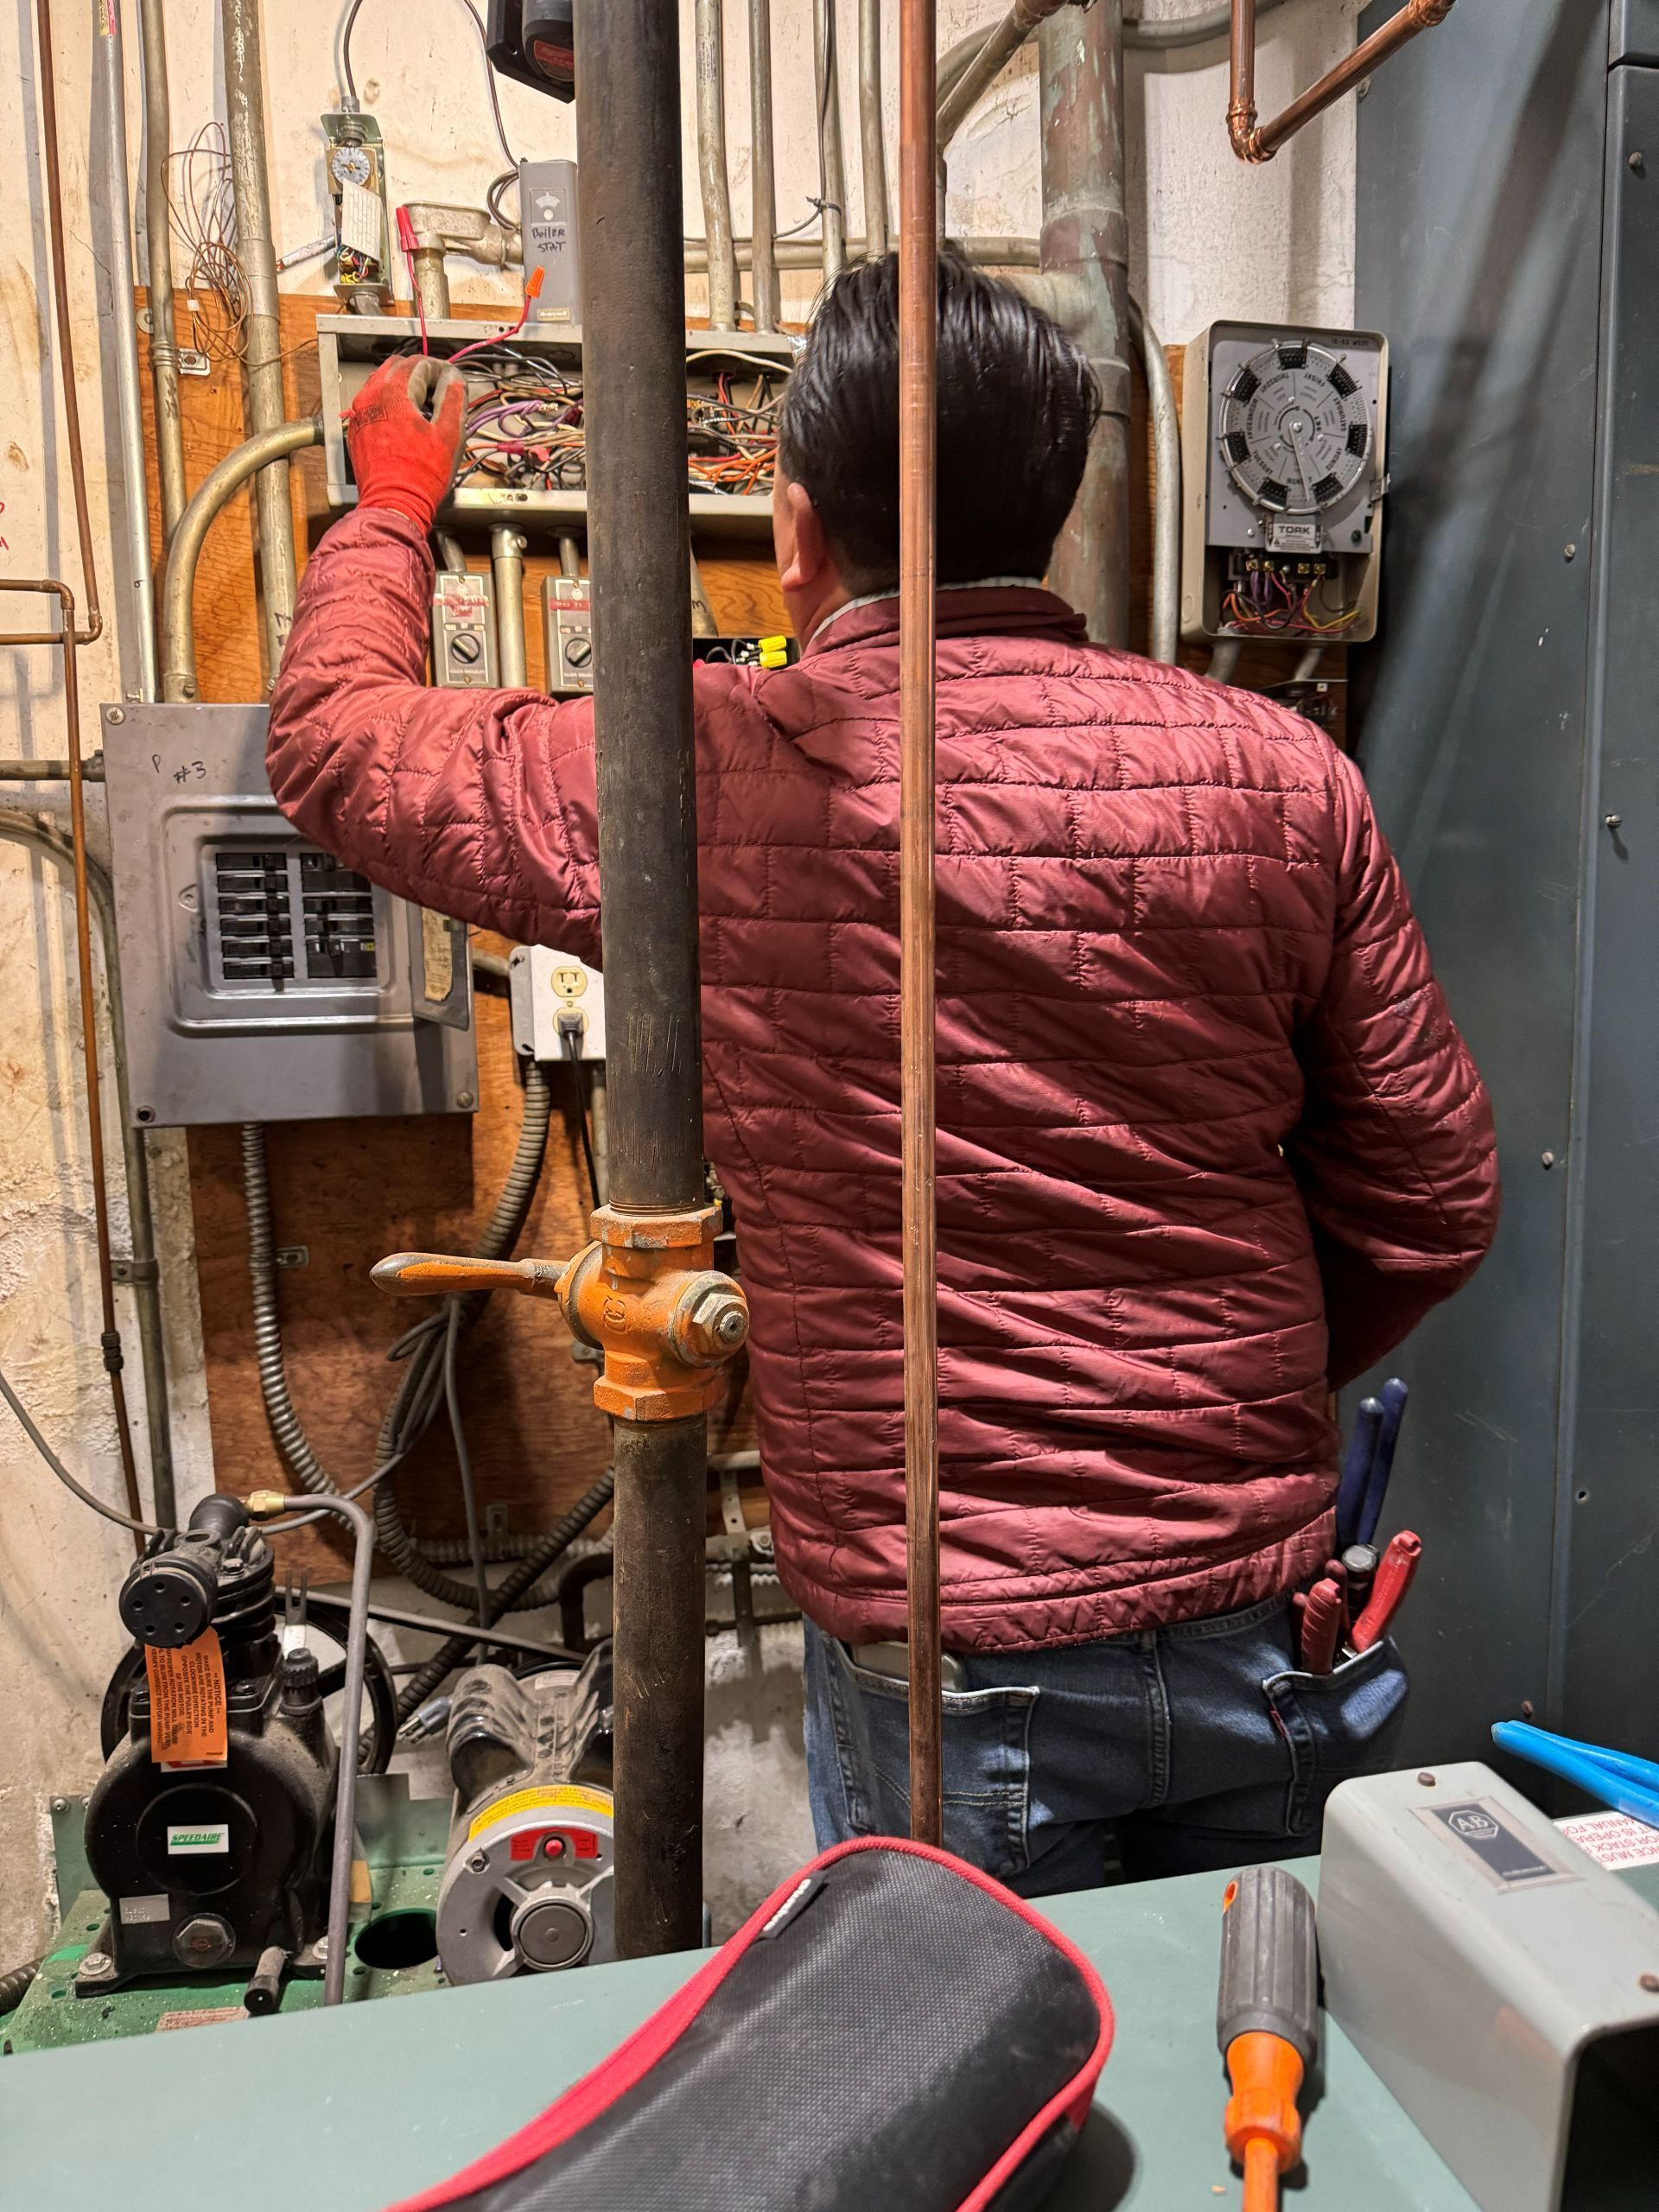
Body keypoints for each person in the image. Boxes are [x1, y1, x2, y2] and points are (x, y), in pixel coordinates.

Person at [267, 255, 1499, 1893]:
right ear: (1048, 515)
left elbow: (338, 742)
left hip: (951, 1646)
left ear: (794, 532)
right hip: (1255, 1612)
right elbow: (1433, 1194)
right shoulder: (1285, 772)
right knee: (1257, 2077)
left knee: (975, 2098)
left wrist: (394, 507)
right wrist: (1219, 1404)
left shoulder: (704, 766)